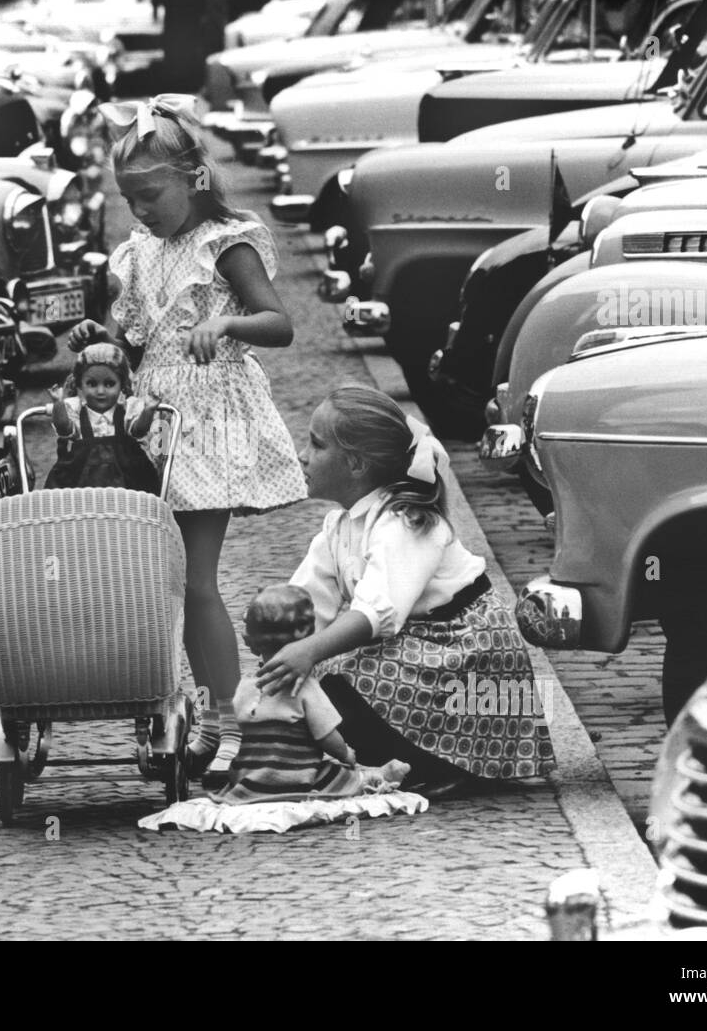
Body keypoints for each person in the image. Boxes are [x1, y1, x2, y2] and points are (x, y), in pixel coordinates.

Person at [67, 94, 306, 783]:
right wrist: (99, 346)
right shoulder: (140, 253)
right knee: (161, 582)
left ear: (194, 177)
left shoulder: (221, 243)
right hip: (150, 424)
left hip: (204, 421)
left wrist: (227, 326)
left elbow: (279, 323)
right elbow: (136, 345)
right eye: (128, 198)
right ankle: (196, 716)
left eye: (150, 194)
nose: (140, 210)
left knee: (196, 581)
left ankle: (233, 725)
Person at [256, 384, 555, 799]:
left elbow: (378, 613)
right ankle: (382, 754)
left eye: (316, 445)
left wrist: (309, 654)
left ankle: (444, 761)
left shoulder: (407, 521)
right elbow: (307, 603)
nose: (302, 455)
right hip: (417, 647)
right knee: (316, 682)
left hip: (465, 654)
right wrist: (278, 644)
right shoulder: (339, 527)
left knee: (342, 676)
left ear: (357, 464)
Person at [212, 583, 409, 804]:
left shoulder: (247, 685)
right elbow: (326, 735)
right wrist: (345, 754)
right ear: (306, 638)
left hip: (251, 778)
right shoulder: (305, 687)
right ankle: (374, 777)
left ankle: (253, 786)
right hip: (298, 777)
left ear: (252, 642)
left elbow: (241, 719)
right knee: (339, 775)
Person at [44, 342, 161, 493]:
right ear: (80, 384)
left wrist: (148, 411)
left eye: (109, 384)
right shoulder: (77, 411)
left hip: (126, 481)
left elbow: (138, 430)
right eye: (92, 384)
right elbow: (64, 428)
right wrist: (58, 404)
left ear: (122, 385)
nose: (100, 391)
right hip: (82, 483)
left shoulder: (127, 409)